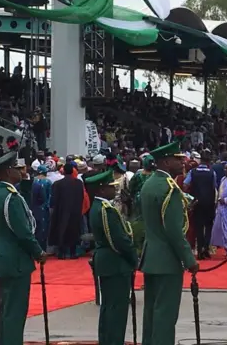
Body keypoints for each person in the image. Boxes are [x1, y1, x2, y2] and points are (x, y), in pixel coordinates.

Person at [139, 141, 199, 345]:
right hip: (167, 259)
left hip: (151, 257)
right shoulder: (169, 188)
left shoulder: (149, 184)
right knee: (165, 314)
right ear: (165, 162)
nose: (182, 162)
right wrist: (189, 259)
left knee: (151, 312)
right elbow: (173, 231)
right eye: (177, 159)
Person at [0, 151, 45, 345]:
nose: (21, 171)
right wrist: (38, 252)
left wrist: (26, 181)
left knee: (5, 309)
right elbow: (23, 231)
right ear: (7, 171)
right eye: (17, 168)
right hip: (16, 259)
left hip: (3, 257)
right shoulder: (11, 198)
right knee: (15, 312)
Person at [88, 169, 137, 345]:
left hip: (107, 262)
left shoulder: (98, 207)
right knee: (116, 310)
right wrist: (133, 258)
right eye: (110, 187)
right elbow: (118, 241)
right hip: (115, 263)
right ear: (101, 190)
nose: (114, 189)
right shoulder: (106, 210)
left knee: (109, 308)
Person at [182, 150, 217, 259]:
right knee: (209, 226)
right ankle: (206, 248)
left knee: (198, 226)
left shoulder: (193, 172)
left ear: (200, 160)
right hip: (209, 203)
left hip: (196, 202)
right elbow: (214, 186)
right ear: (209, 162)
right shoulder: (212, 172)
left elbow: (185, 185)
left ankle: (200, 248)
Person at [49, 163, 85, 259]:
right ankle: (73, 253)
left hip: (61, 210)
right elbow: (81, 197)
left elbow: (54, 199)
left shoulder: (57, 184)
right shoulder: (78, 183)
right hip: (75, 210)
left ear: (63, 171)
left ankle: (62, 253)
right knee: (74, 230)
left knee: (62, 230)